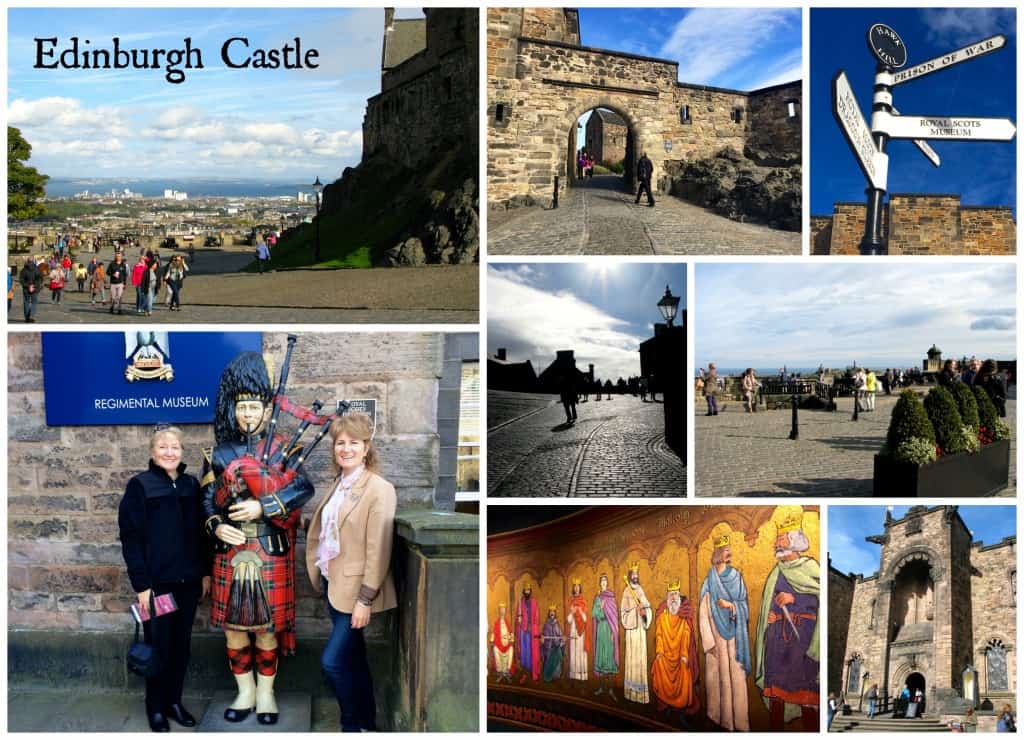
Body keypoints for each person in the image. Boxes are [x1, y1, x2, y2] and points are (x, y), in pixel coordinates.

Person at [201, 352, 316, 726]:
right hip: (229, 549)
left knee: (266, 629)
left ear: (268, 410)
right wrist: (216, 525)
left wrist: (263, 507)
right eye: (242, 407)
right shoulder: (217, 454)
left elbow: (303, 488)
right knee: (235, 629)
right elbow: (205, 500)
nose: (248, 414)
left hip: (270, 549)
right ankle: (244, 691)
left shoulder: (286, 450)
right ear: (233, 410)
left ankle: (266, 693)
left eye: (255, 406)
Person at [305, 412, 397, 732]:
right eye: (340, 443)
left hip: (356, 594)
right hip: (334, 587)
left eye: (353, 443)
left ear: (366, 447)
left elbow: (379, 548)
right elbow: (332, 529)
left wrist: (365, 599)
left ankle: (350, 725)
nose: (345, 449)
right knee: (355, 661)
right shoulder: (339, 484)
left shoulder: (379, 489)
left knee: (332, 662)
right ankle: (367, 724)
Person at [118, 426, 210, 732]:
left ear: (182, 452)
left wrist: (205, 572)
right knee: (159, 645)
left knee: (181, 646)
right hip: (156, 587)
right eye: (163, 447)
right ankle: (155, 707)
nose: (170, 452)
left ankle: (174, 701)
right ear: (152, 452)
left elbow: (201, 534)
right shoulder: (139, 486)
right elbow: (130, 539)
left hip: (187, 584)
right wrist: (142, 585)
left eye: (175, 447)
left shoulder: (190, 485)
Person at [754, 514, 820, 732]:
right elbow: (768, 605)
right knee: (776, 699)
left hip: (802, 641)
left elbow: (820, 597)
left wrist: (795, 599)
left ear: (793, 541)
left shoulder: (810, 568)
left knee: (807, 697)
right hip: (777, 642)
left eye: (780, 538)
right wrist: (771, 616)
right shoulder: (777, 571)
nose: (775, 543)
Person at [699, 533, 751, 731]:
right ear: (718, 554)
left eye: (730, 551)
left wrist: (732, 605)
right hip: (715, 634)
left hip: (735, 633)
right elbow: (703, 612)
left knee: (736, 677)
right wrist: (709, 642)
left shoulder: (736, 577)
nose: (729, 554)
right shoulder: (709, 580)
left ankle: (739, 722)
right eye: (726, 551)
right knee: (718, 678)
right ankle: (722, 720)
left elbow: (744, 605)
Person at [650, 580, 700, 717]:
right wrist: (659, 652)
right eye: (671, 594)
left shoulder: (683, 615)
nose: (673, 598)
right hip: (665, 656)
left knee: (684, 670)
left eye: (675, 594)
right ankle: (666, 705)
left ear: (679, 596)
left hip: (679, 656)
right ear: (667, 596)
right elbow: (659, 634)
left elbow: (686, 635)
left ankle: (681, 707)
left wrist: (684, 656)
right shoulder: (663, 615)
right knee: (659, 665)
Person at [620, 562, 652, 704]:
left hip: (640, 632)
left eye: (636, 574)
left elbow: (648, 608)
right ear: (629, 576)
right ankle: (630, 693)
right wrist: (635, 611)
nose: (635, 576)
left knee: (640, 661)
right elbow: (623, 614)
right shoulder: (627, 592)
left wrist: (644, 612)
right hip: (632, 632)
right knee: (632, 660)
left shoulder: (640, 590)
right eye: (633, 574)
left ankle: (641, 695)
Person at [591, 574, 619, 698]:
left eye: (605, 580)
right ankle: (602, 688)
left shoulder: (611, 597)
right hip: (601, 630)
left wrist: (614, 633)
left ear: (607, 583)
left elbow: (614, 616)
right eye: (601, 580)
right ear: (599, 583)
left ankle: (611, 689)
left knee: (609, 659)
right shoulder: (597, 598)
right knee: (601, 658)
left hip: (609, 630)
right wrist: (601, 609)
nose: (603, 582)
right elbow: (595, 614)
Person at [516, 583, 541, 682]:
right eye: (525, 590)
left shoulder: (534, 602)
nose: (527, 592)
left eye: (528, 590)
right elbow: (518, 616)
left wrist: (533, 626)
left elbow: (536, 616)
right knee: (524, 651)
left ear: (530, 591)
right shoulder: (520, 602)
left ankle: (532, 671)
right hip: (523, 630)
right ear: (523, 592)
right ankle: (525, 671)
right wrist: (519, 620)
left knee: (532, 651)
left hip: (531, 631)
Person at [566, 579, 588, 682]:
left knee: (580, 650)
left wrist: (580, 611)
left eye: (578, 586)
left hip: (581, 629)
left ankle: (582, 675)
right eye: (574, 586)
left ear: (580, 588)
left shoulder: (583, 601)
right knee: (574, 650)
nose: (576, 588)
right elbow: (569, 620)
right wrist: (572, 612)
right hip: (573, 628)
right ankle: (574, 674)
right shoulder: (571, 601)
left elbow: (585, 619)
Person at [490, 602, 514, 683]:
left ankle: (506, 672)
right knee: (495, 649)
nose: (502, 611)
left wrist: (511, 638)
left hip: (507, 645)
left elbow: (511, 634)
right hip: (499, 645)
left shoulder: (507, 622)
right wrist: (492, 641)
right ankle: (500, 672)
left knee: (511, 649)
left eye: (504, 609)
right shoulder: (497, 623)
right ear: (499, 611)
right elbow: (493, 633)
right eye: (501, 609)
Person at [540, 606, 565, 682]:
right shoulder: (546, 624)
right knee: (548, 658)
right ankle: (549, 675)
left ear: (555, 613)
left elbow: (560, 635)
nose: (552, 613)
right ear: (549, 613)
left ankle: (556, 675)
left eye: (553, 612)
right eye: (551, 612)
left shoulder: (557, 624)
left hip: (556, 647)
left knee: (559, 654)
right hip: (549, 648)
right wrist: (543, 639)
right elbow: (543, 635)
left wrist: (562, 640)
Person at [19, 257, 43, 323]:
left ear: (27, 261)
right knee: (34, 302)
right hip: (35, 289)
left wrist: (28, 286)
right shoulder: (37, 269)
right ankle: (32, 316)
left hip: (26, 289)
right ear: (33, 261)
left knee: (26, 302)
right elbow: (40, 279)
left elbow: (21, 280)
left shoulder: (23, 270)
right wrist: (34, 285)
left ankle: (27, 317)